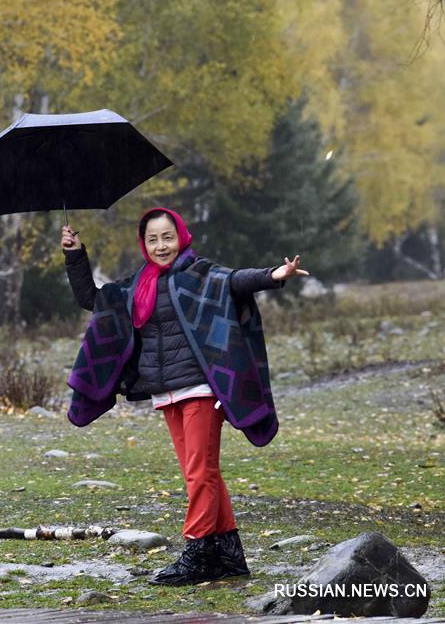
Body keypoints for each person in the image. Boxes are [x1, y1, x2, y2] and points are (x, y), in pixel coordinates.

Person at [62, 207, 308, 586]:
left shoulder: (200, 273)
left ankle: (196, 551)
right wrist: (75, 254)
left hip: (201, 388)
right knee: (202, 471)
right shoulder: (136, 285)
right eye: (153, 239)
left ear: (181, 237)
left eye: (167, 237)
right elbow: (93, 300)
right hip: (166, 391)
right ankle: (227, 555)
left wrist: (274, 275)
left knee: (200, 471)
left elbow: (234, 281)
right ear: (143, 244)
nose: (161, 246)